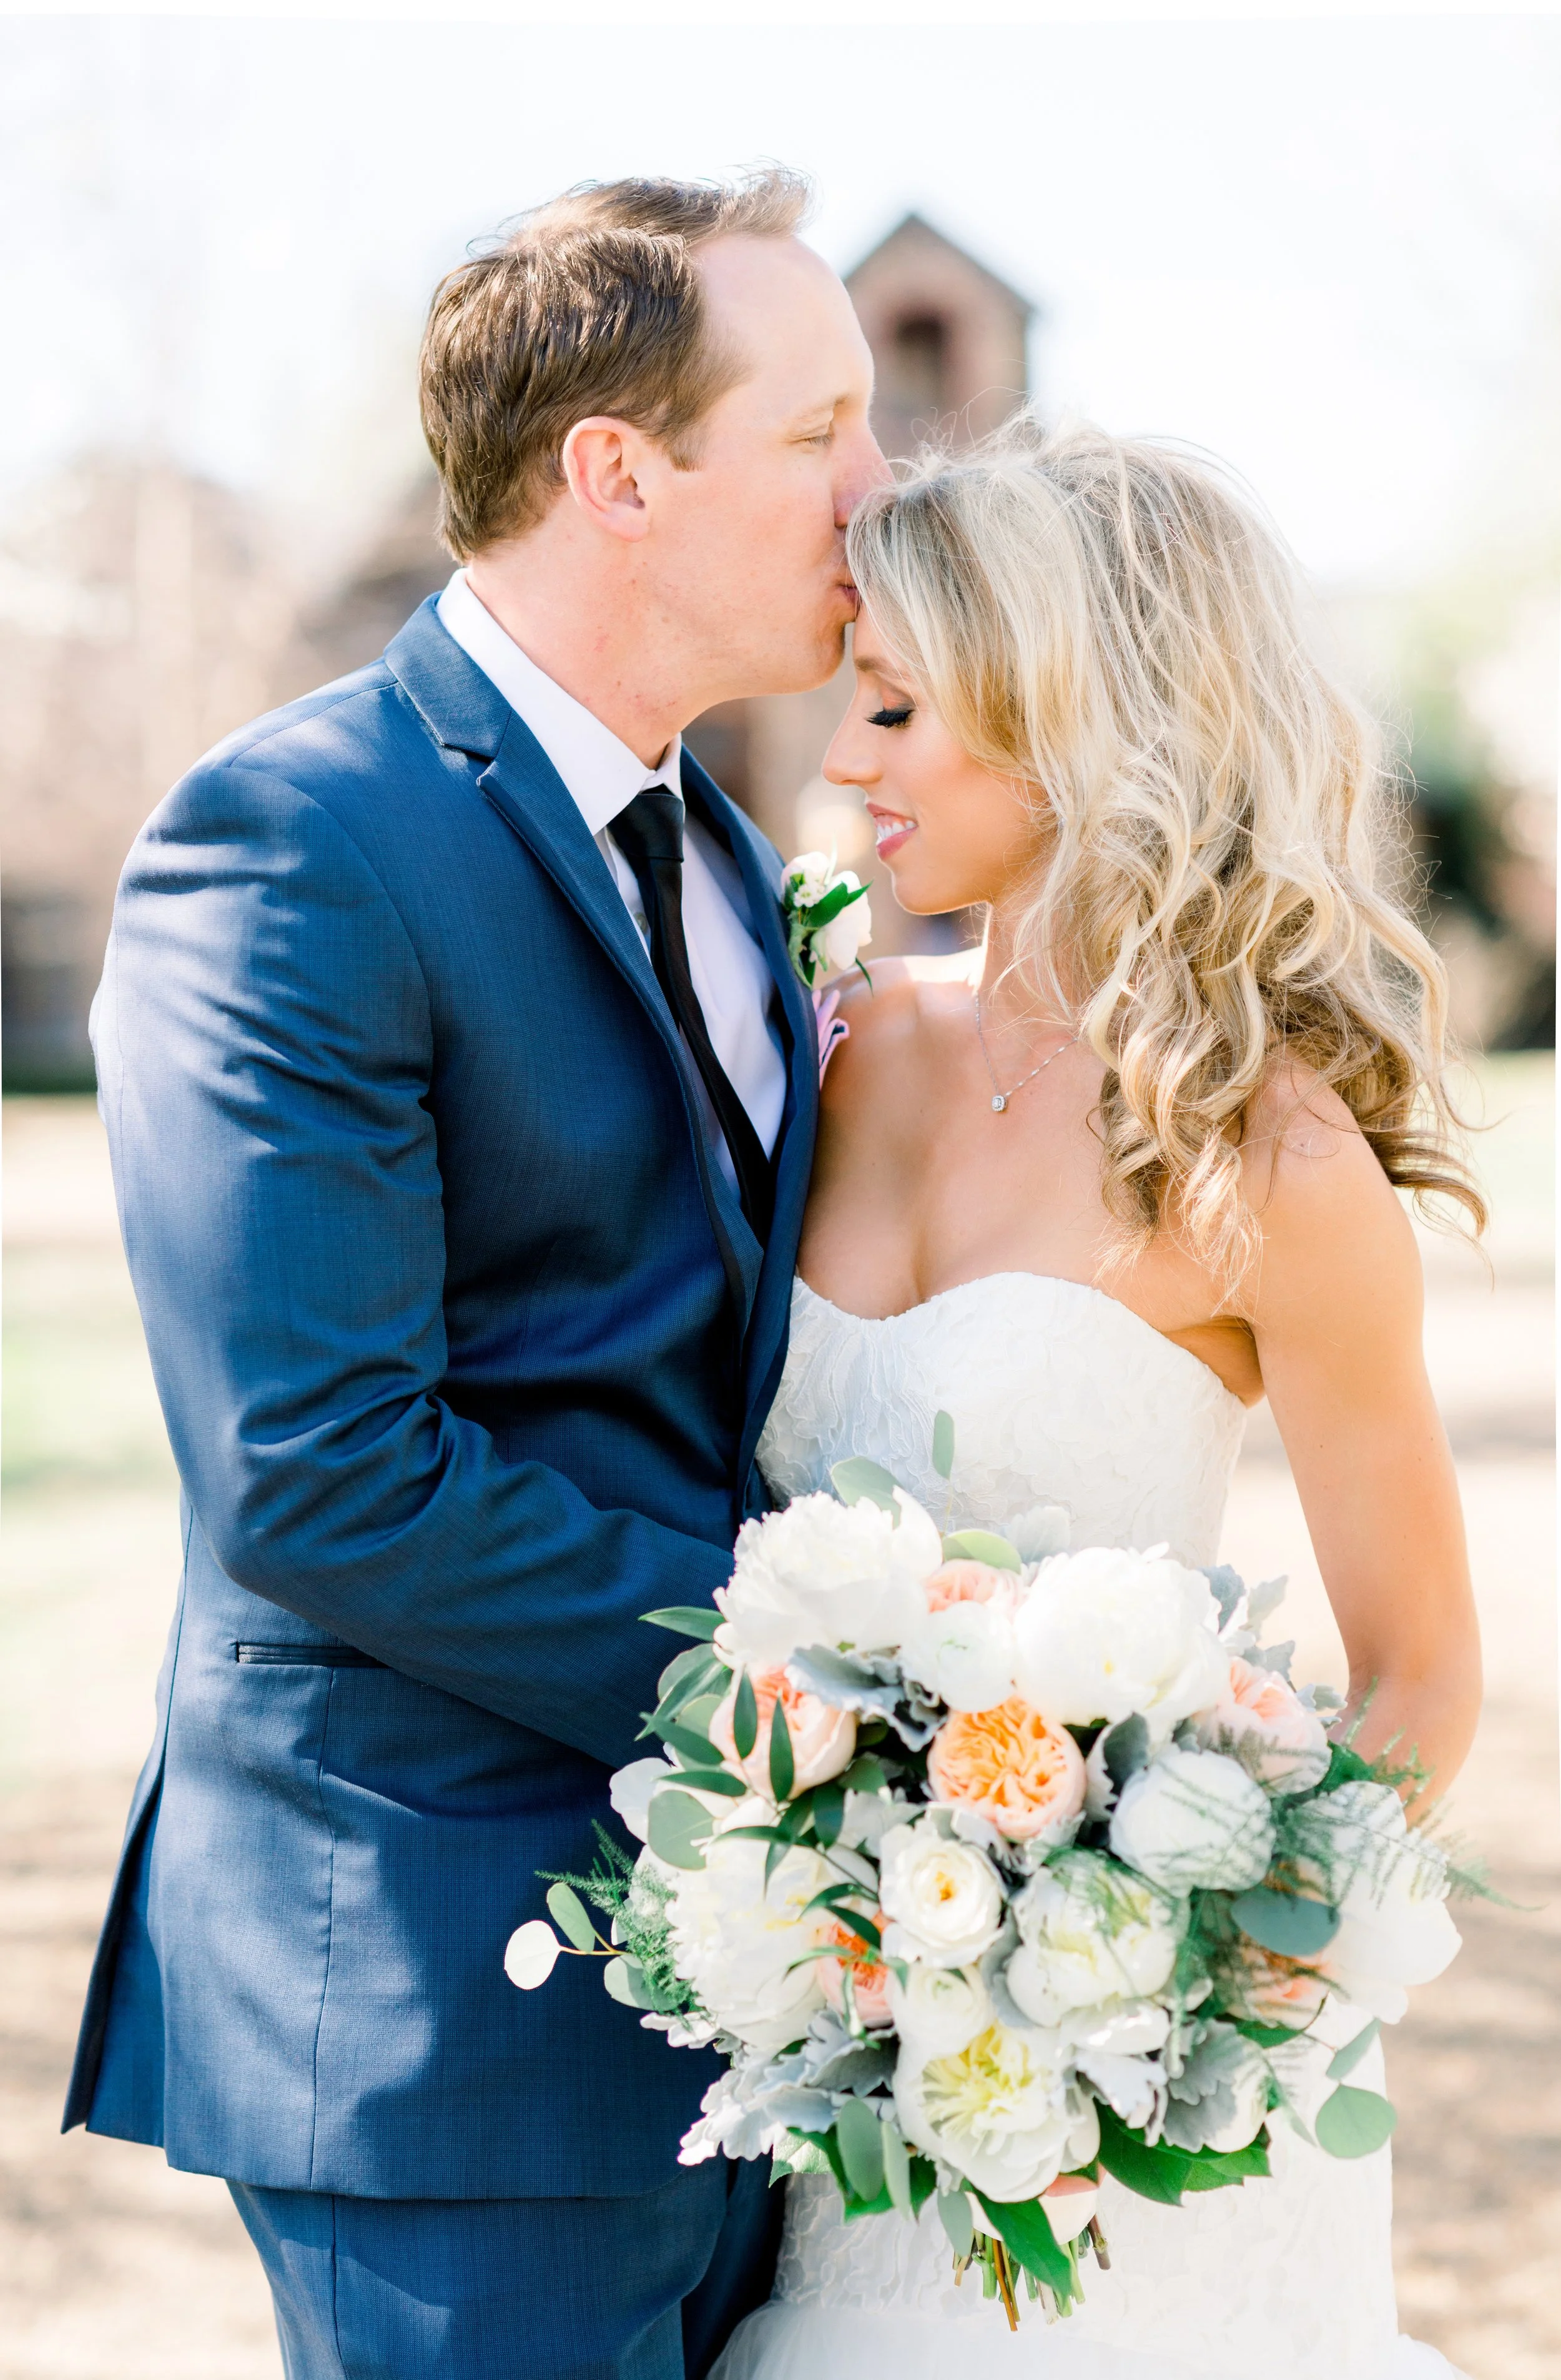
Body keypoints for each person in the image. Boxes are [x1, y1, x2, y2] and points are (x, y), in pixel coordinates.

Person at [63, 169, 885, 2380]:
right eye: (816, 433)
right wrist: (833, 1713)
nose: (876, 492)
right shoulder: (297, 840)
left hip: (751, 1987)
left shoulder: (719, 847)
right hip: (435, 1999)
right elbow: (318, 1471)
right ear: (615, 471)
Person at [714, 418, 1482, 2379]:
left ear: (1076, 717)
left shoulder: (1265, 1163)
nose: (842, 760)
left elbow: (1415, 1675)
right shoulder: (834, 1048)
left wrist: (1172, 1968)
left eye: (895, 708)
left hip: (1131, 2118)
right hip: (848, 2057)